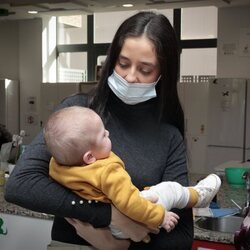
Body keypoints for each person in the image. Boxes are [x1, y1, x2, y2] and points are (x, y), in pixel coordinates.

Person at [5, 11, 198, 249]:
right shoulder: (77, 112)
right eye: (123, 63)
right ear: (111, 60)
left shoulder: (169, 137)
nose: (130, 77)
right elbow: (21, 185)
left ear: (163, 74)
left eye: (145, 70)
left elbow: (181, 237)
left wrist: (118, 246)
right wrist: (109, 215)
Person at [44, 106, 221, 239]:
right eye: (102, 135)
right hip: (125, 222)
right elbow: (130, 204)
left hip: (98, 224)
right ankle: (199, 196)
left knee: (152, 192)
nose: (108, 132)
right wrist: (160, 217)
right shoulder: (108, 172)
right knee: (170, 190)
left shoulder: (57, 165)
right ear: (89, 157)